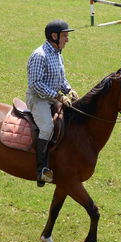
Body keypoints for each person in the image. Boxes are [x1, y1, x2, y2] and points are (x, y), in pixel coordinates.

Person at [26, 19, 79, 186]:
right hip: (38, 98)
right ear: (54, 36)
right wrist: (58, 97)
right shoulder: (39, 55)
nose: (67, 39)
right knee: (47, 127)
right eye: (65, 36)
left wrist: (69, 90)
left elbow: (61, 79)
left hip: (52, 96)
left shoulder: (57, 53)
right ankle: (41, 169)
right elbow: (36, 84)